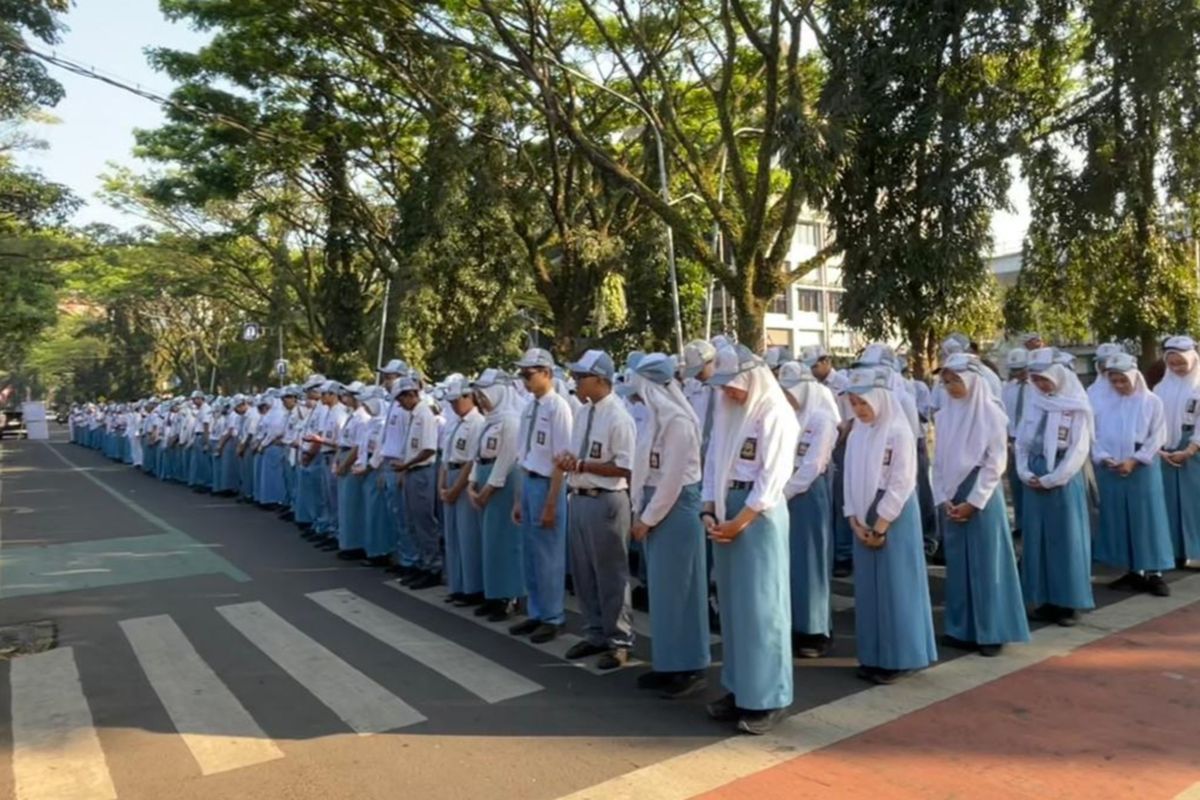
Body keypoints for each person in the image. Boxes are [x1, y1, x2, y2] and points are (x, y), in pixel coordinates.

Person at [701, 344, 797, 736]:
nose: (728, 392)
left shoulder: (775, 412)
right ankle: (738, 688)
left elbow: (772, 477)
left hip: (758, 516)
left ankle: (769, 697)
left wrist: (740, 520)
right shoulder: (729, 413)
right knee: (735, 609)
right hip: (728, 512)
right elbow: (713, 462)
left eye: (733, 385)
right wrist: (709, 508)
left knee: (763, 609)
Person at [843, 365, 938, 685]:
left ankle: (902, 657)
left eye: (864, 402)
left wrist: (881, 525)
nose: (859, 409)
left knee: (898, 588)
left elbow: (902, 481)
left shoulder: (898, 430)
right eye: (854, 403)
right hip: (864, 516)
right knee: (870, 591)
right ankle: (874, 655)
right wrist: (854, 518)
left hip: (893, 517)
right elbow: (849, 477)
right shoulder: (858, 431)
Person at [933, 354, 1030, 656]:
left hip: (981, 496)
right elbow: (939, 461)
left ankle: (992, 631)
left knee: (987, 564)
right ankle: (961, 628)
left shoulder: (991, 413)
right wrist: (944, 498)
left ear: (973, 379)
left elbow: (995, 463)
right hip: (953, 494)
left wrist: (973, 502)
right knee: (960, 565)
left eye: (956, 380)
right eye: (946, 381)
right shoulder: (945, 414)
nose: (951, 387)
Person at [628, 353, 711, 697]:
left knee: (682, 591)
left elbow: (674, 479)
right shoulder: (654, 418)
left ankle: (688, 666)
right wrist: (637, 508)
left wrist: (646, 519)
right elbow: (643, 467)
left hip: (675, 510)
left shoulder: (678, 421)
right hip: (655, 508)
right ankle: (667, 663)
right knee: (663, 593)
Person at [555, 350, 637, 670]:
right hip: (579, 495)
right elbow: (577, 453)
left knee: (611, 572)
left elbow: (626, 467)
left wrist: (585, 465)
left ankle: (619, 639)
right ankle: (594, 632)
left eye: (581, 377)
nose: (576, 382)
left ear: (600, 379)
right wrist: (568, 461)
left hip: (606, 500)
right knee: (584, 571)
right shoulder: (584, 413)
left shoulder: (619, 417)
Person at [1015, 348, 1095, 626]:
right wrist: (1024, 472)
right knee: (1039, 540)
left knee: (1066, 540)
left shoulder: (1076, 405)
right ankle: (1045, 598)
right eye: (1036, 380)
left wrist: (1053, 478)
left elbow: (1078, 449)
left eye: (1045, 380)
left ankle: (1069, 602)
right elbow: (1023, 441)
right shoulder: (1035, 402)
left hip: (1062, 479)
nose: (1041, 385)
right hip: (1034, 478)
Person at [1092, 352, 1174, 595]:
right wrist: (1105, 457)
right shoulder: (1104, 403)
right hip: (1111, 467)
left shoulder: (1151, 402)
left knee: (1147, 518)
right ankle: (1132, 569)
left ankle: (1154, 572)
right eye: (1114, 381)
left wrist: (1135, 460)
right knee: (1120, 518)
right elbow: (1092, 434)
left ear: (1134, 378)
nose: (1119, 386)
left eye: (1123, 381)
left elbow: (1158, 435)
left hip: (1141, 469)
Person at [509, 347, 574, 644]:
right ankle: (536, 612)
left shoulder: (557, 407)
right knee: (531, 555)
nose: (524, 379)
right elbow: (524, 455)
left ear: (546, 373)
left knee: (549, 555)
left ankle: (553, 616)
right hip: (530, 481)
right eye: (522, 374)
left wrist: (551, 503)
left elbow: (561, 459)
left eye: (529, 373)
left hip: (549, 485)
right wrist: (519, 500)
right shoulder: (529, 407)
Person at [778, 361, 838, 659]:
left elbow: (813, 465)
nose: (787, 397)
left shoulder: (822, 418)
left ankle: (816, 630)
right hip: (785, 493)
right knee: (790, 561)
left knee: (811, 560)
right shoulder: (786, 416)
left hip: (807, 493)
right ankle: (795, 624)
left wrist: (784, 491)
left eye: (791, 391)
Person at [467, 369, 526, 621]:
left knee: (504, 543)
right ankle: (492, 593)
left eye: (484, 394)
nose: (481, 400)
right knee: (489, 543)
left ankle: (508, 596)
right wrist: (472, 483)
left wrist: (487, 490)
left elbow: (506, 460)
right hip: (484, 479)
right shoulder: (489, 420)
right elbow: (476, 454)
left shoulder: (511, 421)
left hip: (501, 486)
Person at [1155, 336, 1200, 570]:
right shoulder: (1161, 388)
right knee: (1170, 503)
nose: (1177, 368)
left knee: (1195, 503)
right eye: (1172, 364)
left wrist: (1191, 449)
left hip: (1194, 450)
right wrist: (1160, 448)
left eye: (1181, 363)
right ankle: (1174, 551)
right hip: (1167, 452)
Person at [440, 378, 485, 605]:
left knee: (468, 537)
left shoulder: (477, 423)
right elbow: (445, 457)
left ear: (469, 397)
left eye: (457, 400)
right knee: (453, 536)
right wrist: (442, 485)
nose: (454, 405)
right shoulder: (453, 422)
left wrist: (456, 488)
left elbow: (471, 460)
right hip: (450, 474)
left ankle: (473, 587)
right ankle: (457, 585)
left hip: (463, 478)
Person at [394, 376, 441, 588]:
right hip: (412, 470)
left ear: (412, 395)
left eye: (402, 398)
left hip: (422, 471)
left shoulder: (425, 415)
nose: (400, 403)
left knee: (424, 522)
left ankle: (433, 567)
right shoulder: (414, 415)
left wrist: (406, 465)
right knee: (413, 521)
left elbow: (429, 448)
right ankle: (422, 563)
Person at [334, 384, 370, 560]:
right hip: (344, 453)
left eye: (349, 395)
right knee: (344, 504)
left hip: (352, 458)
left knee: (352, 505)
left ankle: (355, 544)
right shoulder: (351, 416)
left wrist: (345, 464)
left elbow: (358, 446)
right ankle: (346, 542)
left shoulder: (362, 418)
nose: (345, 397)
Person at [1001, 348, 1030, 536]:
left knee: (1030, 483)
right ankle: (1020, 522)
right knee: (1015, 484)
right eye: (1014, 370)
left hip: (1029, 441)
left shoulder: (1036, 388)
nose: (1017, 373)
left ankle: (1030, 521)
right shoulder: (1008, 389)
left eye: (1021, 369)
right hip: (1012, 441)